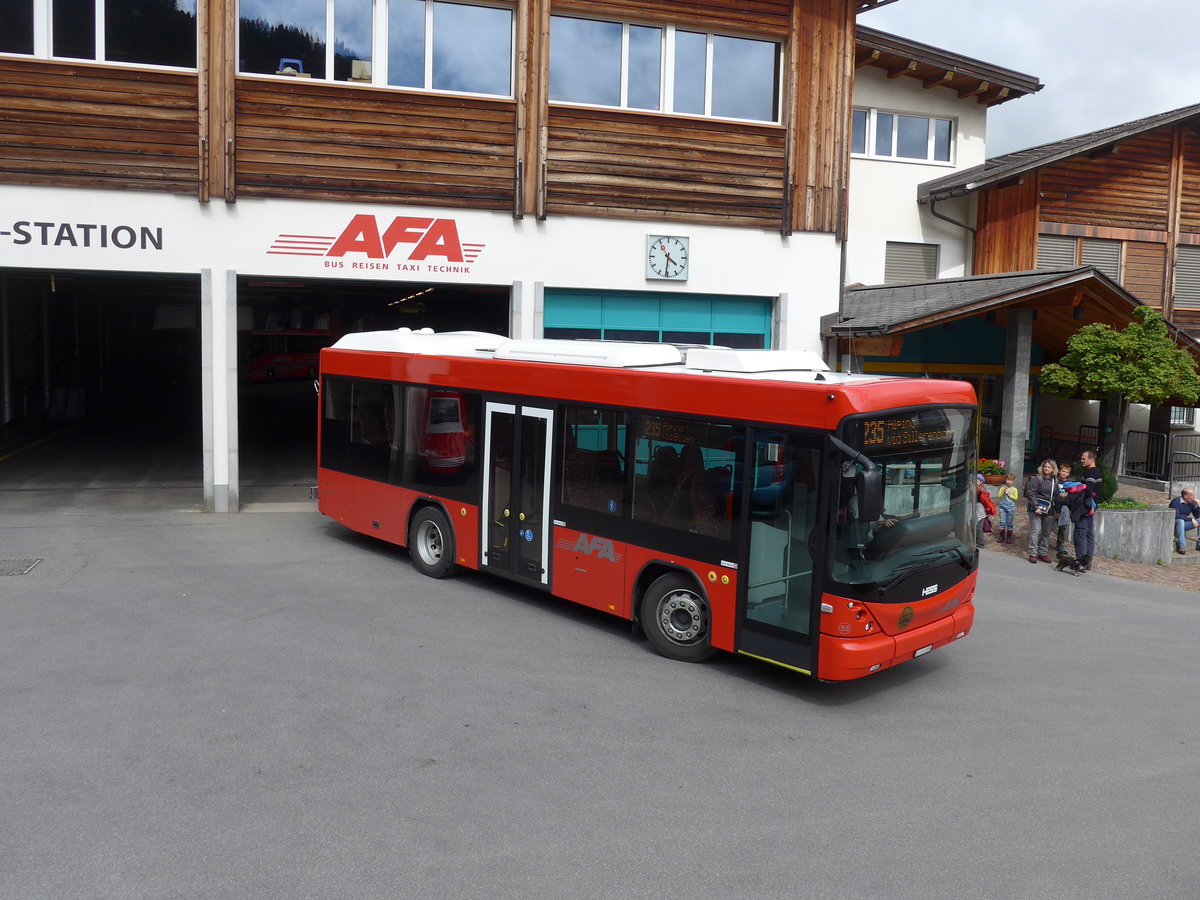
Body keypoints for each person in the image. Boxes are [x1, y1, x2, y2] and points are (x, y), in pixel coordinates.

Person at [1025, 458, 1058, 563]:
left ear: (1053, 469)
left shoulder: (1055, 481)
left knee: (1046, 533)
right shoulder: (1036, 478)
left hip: (1048, 509)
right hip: (1036, 508)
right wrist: (1036, 507)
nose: (1046, 469)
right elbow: (1031, 493)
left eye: (1049, 467)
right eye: (1045, 466)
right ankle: (1033, 553)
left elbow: (1056, 496)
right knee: (1036, 530)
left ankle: (1043, 553)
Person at [1074, 449, 1102, 572]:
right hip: (1092, 507)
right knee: (1089, 535)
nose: (1081, 460)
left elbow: (1088, 491)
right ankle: (1088, 562)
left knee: (1081, 534)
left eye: (1084, 458)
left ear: (1091, 459)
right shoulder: (1097, 472)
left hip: (1085, 508)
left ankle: (1081, 563)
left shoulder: (1090, 474)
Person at [1168, 487, 1200, 555]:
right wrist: (1191, 519)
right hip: (1174, 524)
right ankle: (1182, 545)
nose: (1194, 497)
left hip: (1184, 524)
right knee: (1180, 521)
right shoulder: (1176, 502)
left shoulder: (1191, 503)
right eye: (1192, 495)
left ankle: (1199, 544)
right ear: (1185, 496)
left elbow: (1198, 516)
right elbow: (1175, 515)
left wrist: (1198, 507)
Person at [1054, 463, 1075, 554]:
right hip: (1054, 506)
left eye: (1066, 472)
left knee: (1063, 527)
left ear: (1068, 474)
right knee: (1049, 525)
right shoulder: (1054, 481)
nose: (1064, 473)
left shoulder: (1069, 484)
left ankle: (1060, 544)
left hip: (1064, 508)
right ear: (1059, 471)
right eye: (1063, 471)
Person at [995, 473, 1018, 544]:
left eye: (1011, 480)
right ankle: (1001, 536)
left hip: (1010, 508)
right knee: (1002, 521)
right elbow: (998, 496)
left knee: (1009, 522)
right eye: (1008, 479)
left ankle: (1009, 537)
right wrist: (1002, 491)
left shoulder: (1014, 489)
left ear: (1013, 481)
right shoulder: (1002, 488)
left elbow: (1016, 498)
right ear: (1005, 480)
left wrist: (1009, 495)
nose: (1009, 481)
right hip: (1003, 507)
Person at [976, 473, 997, 549]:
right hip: (975, 510)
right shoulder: (975, 489)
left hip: (980, 511)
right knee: (975, 526)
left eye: (977, 480)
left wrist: (988, 511)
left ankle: (981, 543)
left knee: (979, 528)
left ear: (981, 482)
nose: (975, 481)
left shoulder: (982, 491)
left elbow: (986, 502)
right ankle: (976, 540)